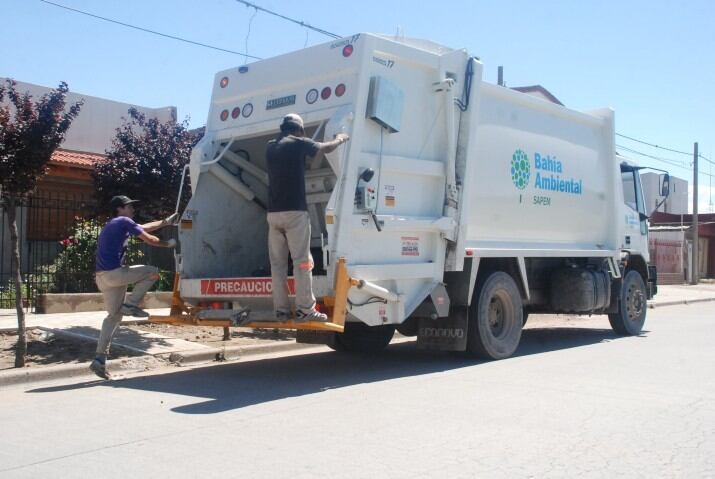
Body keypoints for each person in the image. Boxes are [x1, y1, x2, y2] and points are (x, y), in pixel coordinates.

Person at [265, 113, 349, 322]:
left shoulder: (270, 146)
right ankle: (305, 310)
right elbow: (324, 148)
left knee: (278, 265)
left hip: (274, 214)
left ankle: (281, 310)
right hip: (295, 213)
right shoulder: (298, 143)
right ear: (299, 130)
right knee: (302, 262)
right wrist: (341, 138)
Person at [90, 195, 178, 379]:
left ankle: (99, 359)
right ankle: (131, 304)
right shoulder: (124, 220)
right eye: (129, 206)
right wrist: (167, 244)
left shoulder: (115, 224)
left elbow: (144, 227)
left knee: (113, 317)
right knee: (152, 272)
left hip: (102, 277)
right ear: (119, 209)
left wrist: (165, 221)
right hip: (115, 274)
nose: (133, 209)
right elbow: (150, 239)